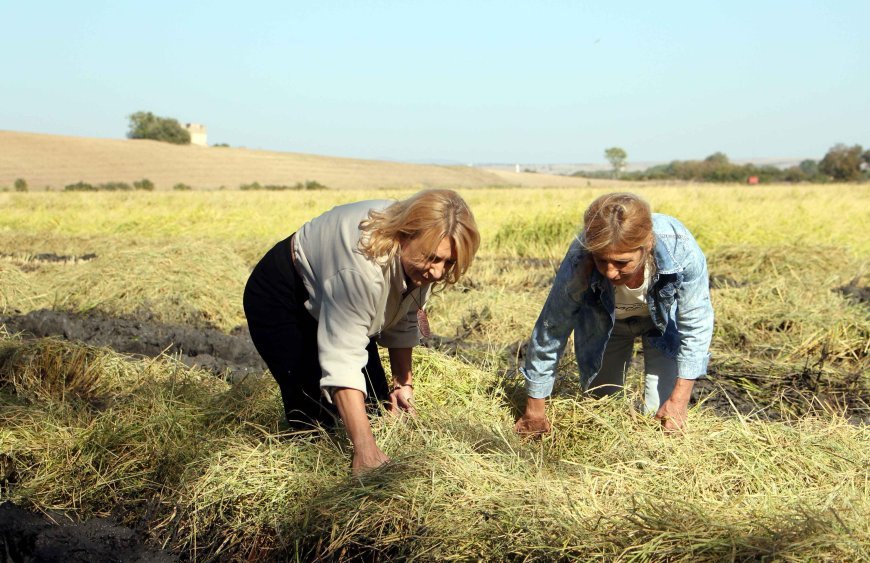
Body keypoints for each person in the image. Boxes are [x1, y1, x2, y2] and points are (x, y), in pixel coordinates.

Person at [244, 189, 480, 473]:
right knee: (316, 425)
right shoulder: (360, 270)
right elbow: (342, 357)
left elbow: (407, 314)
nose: (439, 273)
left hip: (344, 303)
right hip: (283, 296)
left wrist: (402, 384)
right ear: (405, 236)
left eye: (449, 262)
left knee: (377, 410)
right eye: (433, 259)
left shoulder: (424, 254)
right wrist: (365, 450)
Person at [515, 192, 713, 435]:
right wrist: (535, 409)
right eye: (601, 261)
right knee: (601, 413)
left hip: (662, 325)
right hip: (606, 326)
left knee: (663, 418)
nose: (609, 273)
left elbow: (696, 322)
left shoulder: (678, 245)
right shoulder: (580, 256)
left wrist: (680, 399)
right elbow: (552, 327)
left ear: (647, 245)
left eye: (622, 263)